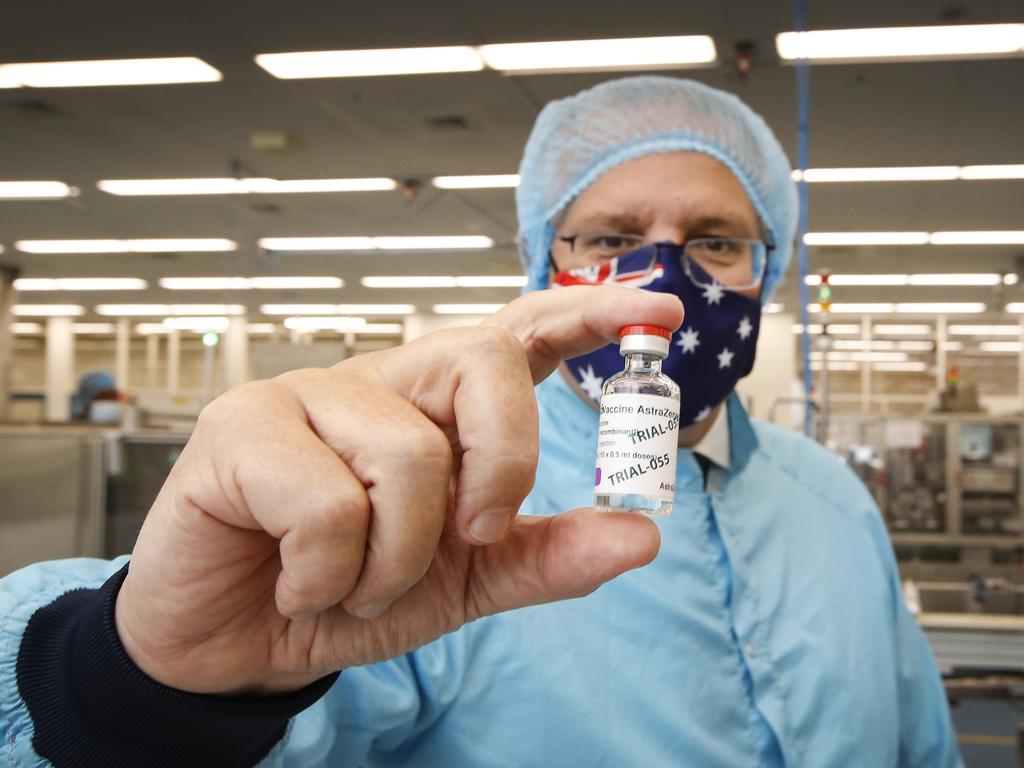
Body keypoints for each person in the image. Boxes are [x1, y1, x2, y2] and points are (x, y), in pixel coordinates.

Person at [0, 77, 961, 767]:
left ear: (771, 268)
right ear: (548, 263)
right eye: (614, 241)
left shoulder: (831, 499)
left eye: (716, 241)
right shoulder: (438, 496)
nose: (665, 278)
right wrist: (137, 679)